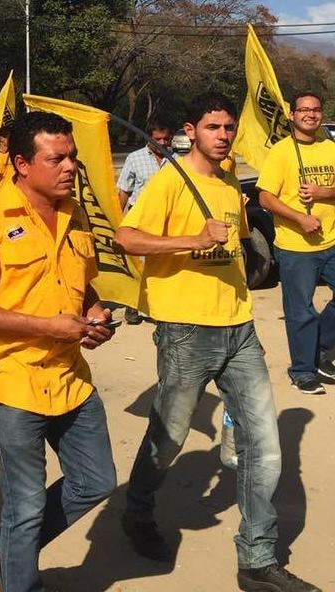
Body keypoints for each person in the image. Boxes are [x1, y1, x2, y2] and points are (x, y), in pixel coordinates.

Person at [115, 92, 319, 592]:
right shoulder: (168, 181)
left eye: (228, 127)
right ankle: (137, 513)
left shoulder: (228, 181)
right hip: (185, 330)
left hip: (239, 327)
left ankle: (257, 558)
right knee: (169, 438)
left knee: (264, 446)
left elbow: (236, 236)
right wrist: (190, 241)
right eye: (213, 127)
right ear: (192, 130)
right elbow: (127, 238)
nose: (224, 135)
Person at [0, 111, 117, 592]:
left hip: (70, 377)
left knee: (96, 481)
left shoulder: (74, 214)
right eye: (56, 159)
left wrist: (95, 315)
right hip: (12, 379)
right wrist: (47, 325)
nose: (69, 168)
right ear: (21, 163)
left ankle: (4, 545)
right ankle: (21, 577)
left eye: (73, 157)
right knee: (27, 507)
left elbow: (85, 287)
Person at [256, 91, 335, 395]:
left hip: (330, 242)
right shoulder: (282, 152)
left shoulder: (330, 147)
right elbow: (264, 197)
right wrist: (300, 219)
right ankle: (303, 370)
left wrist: (321, 193)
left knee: (310, 314)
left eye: (315, 110)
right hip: (295, 247)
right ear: (292, 115)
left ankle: (321, 348)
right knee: (300, 310)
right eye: (304, 110)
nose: (310, 115)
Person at [116, 118, 175, 325]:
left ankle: (158, 308)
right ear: (148, 137)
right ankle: (132, 306)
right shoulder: (134, 159)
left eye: (166, 139)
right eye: (157, 139)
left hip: (168, 221)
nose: (162, 143)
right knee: (137, 266)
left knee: (161, 265)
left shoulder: (178, 161)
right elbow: (123, 191)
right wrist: (116, 221)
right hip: (139, 220)